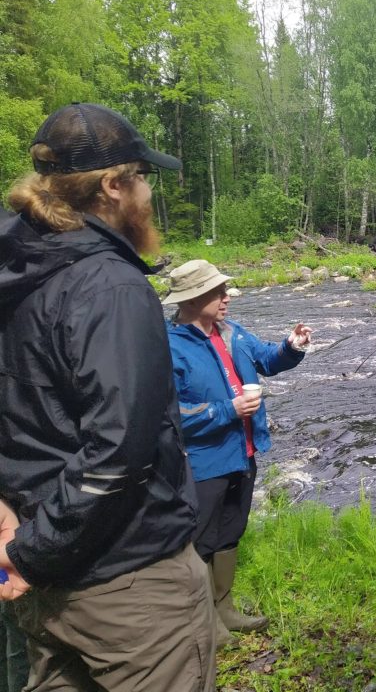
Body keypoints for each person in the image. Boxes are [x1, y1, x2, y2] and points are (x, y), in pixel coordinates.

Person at [0, 102, 216, 691]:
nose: (148, 192)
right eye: (142, 177)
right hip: (128, 584)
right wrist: (33, 551)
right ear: (113, 187)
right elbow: (118, 451)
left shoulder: (15, 267)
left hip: (38, 574)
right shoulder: (111, 287)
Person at [163, 260, 311, 648]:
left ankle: (224, 609)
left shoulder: (232, 331)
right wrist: (228, 410)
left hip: (243, 454)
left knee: (231, 531)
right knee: (200, 540)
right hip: (202, 460)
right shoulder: (169, 347)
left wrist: (291, 347)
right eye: (217, 292)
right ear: (192, 300)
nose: (226, 297)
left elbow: (267, 359)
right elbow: (170, 415)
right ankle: (202, 622)